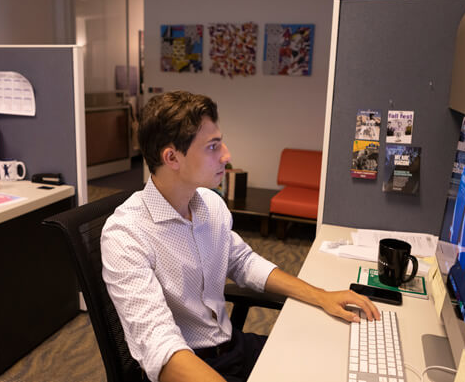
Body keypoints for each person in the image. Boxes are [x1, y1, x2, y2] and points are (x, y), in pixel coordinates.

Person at [101, 91, 380, 382]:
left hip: (232, 347)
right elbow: (160, 346)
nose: (226, 155)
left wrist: (321, 296)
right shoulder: (126, 234)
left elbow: (243, 262)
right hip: (189, 367)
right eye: (212, 147)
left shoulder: (210, 204)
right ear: (172, 157)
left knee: (324, 361)